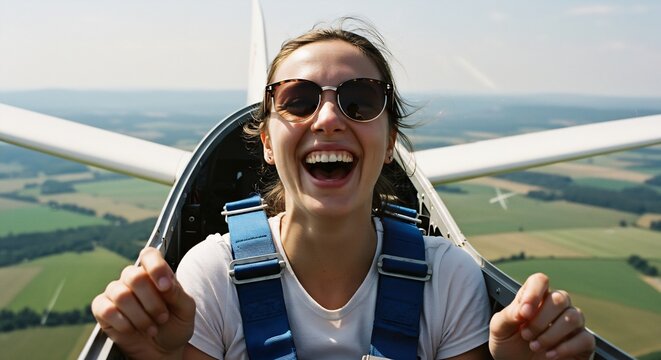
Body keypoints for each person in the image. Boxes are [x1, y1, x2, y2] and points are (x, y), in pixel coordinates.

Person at [92, 19, 596, 359]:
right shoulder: (211, 274)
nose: (329, 118)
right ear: (268, 141)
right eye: (297, 100)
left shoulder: (447, 276)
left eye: (359, 99)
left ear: (390, 139)